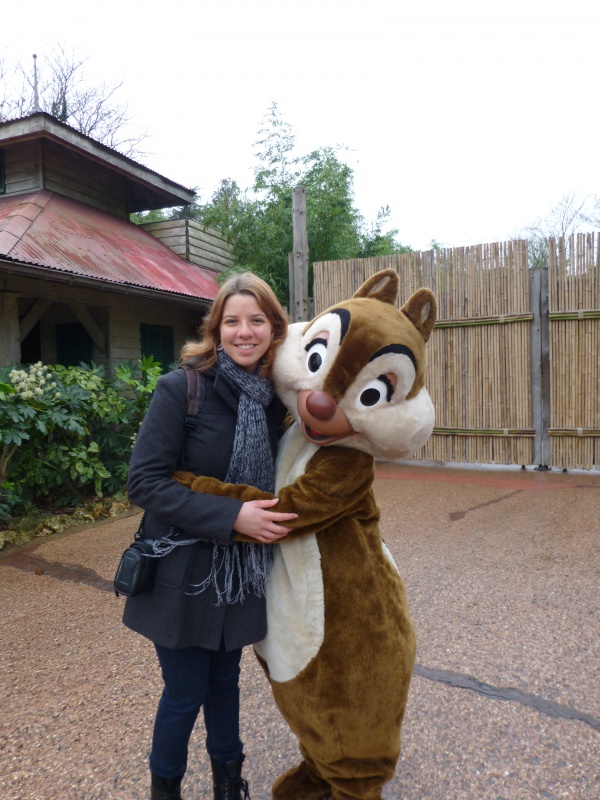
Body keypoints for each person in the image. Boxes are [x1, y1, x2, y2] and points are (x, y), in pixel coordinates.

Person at [122, 272, 297, 800]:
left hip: (240, 575)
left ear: (274, 329)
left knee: (225, 685)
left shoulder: (274, 402)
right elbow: (144, 482)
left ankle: (229, 785)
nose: (244, 332)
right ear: (215, 328)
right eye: (232, 321)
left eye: (256, 321)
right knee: (185, 692)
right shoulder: (182, 389)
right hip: (183, 574)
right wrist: (232, 518)